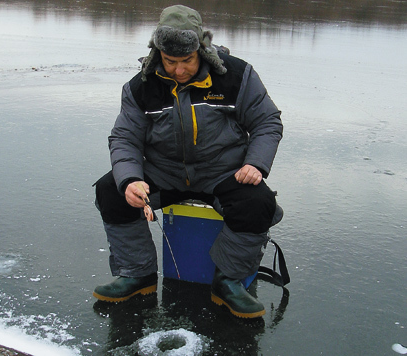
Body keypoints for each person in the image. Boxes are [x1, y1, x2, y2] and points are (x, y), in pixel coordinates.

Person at [93, 4, 283, 318]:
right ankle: (137, 274)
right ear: (158, 54)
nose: (179, 70)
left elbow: (267, 122)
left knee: (258, 202)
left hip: (223, 172)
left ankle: (229, 281)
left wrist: (256, 163)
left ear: (202, 50)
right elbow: (124, 138)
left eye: (187, 61)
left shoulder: (236, 76)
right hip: (164, 173)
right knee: (111, 190)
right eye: (170, 61)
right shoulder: (140, 87)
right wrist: (130, 179)